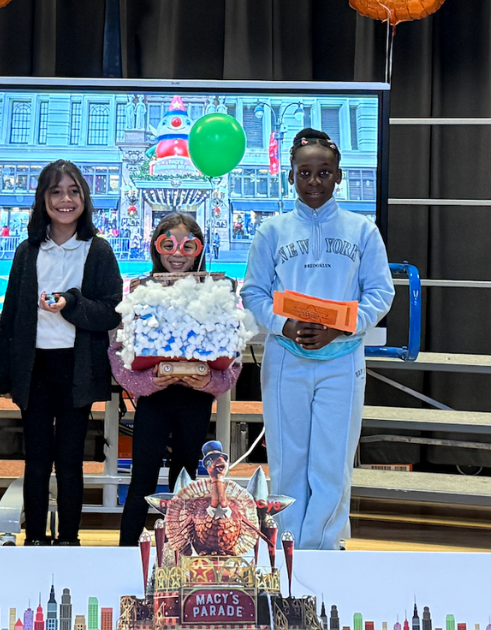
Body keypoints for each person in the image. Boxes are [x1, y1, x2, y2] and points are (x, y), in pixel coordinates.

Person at [241, 128, 394, 550]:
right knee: (288, 463)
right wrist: (284, 326)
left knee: (331, 463)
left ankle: (324, 548)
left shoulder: (362, 230)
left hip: (342, 360)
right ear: (291, 177)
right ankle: (287, 548)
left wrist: (343, 326)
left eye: (324, 173)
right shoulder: (271, 231)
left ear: (338, 176)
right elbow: (253, 292)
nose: (314, 181)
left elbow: (381, 292)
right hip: (286, 357)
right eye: (304, 173)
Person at [0, 160, 122, 546]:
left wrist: (70, 303)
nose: (65, 200)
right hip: (34, 368)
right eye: (55, 192)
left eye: (73, 192)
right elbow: (13, 315)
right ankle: (34, 537)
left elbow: (110, 311)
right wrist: (3, 375)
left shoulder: (97, 250)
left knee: (69, 460)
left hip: (76, 368)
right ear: (42, 200)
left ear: (84, 198)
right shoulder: (28, 251)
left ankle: (69, 538)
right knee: (36, 459)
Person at [112, 213, 242, 547]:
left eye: (187, 245)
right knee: (141, 479)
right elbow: (118, 350)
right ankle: (126, 552)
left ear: (199, 249)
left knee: (186, 481)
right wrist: (146, 382)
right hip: (154, 402)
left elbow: (232, 350)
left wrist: (211, 380)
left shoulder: (217, 290)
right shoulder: (140, 290)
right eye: (168, 244)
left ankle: (181, 553)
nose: (177, 253)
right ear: (156, 248)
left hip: (195, 401)